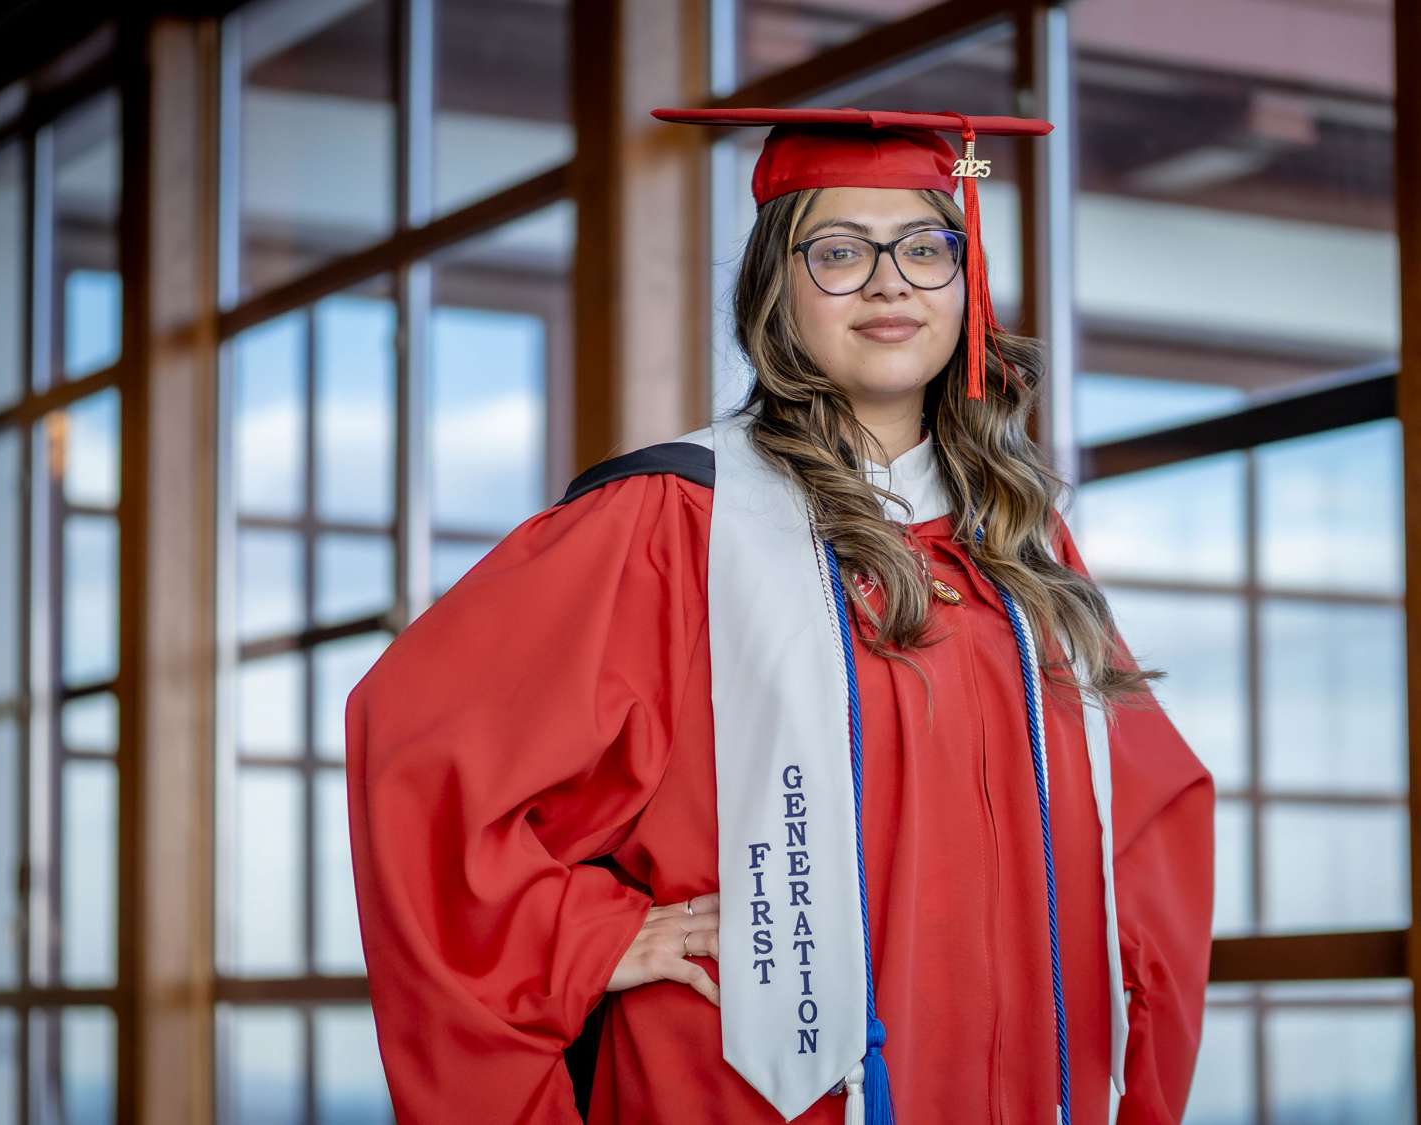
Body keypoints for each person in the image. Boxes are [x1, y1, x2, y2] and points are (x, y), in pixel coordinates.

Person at [344, 106, 1215, 1125]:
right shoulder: (675, 523)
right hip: (739, 1090)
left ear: (965, 283)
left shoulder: (1025, 550)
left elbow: (1149, 838)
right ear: (777, 288)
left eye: (925, 248)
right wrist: (582, 935)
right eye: (839, 251)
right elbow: (421, 750)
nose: (890, 281)